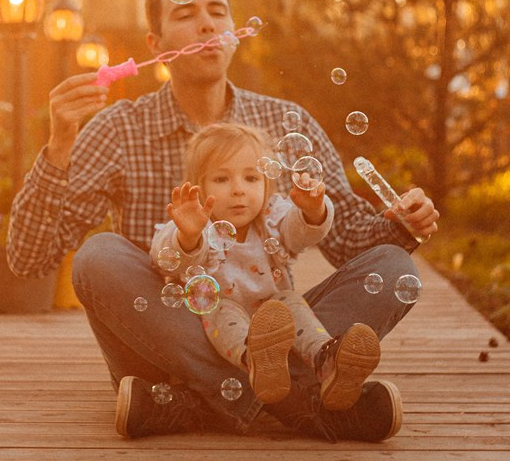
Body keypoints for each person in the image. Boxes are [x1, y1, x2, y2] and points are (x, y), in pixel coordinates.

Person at [7, 0, 440, 443]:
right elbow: (30, 258)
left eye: (218, 11)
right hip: (162, 343)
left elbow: (350, 244)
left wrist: (402, 222)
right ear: (156, 46)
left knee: (394, 267)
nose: (207, 22)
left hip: (272, 325)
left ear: (234, 32)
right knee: (97, 257)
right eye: (186, 13)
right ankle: (302, 404)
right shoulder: (118, 128)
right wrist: (59, 146)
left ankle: (192, 406)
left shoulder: (283, 122)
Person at [153, 121, 381, 410]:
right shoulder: (194, 225)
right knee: (221, 309)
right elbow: (164, 254)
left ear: (267, 184)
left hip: (273, 312)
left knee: (290, 302)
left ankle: (327, 360)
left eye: (251, 178)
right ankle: (257, 361)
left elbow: (298, 232)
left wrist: (312, 211)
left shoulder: (272, 217)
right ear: (199, 188)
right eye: (222, 180)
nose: (238, 190)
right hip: (219, 315)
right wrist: (187, 235)